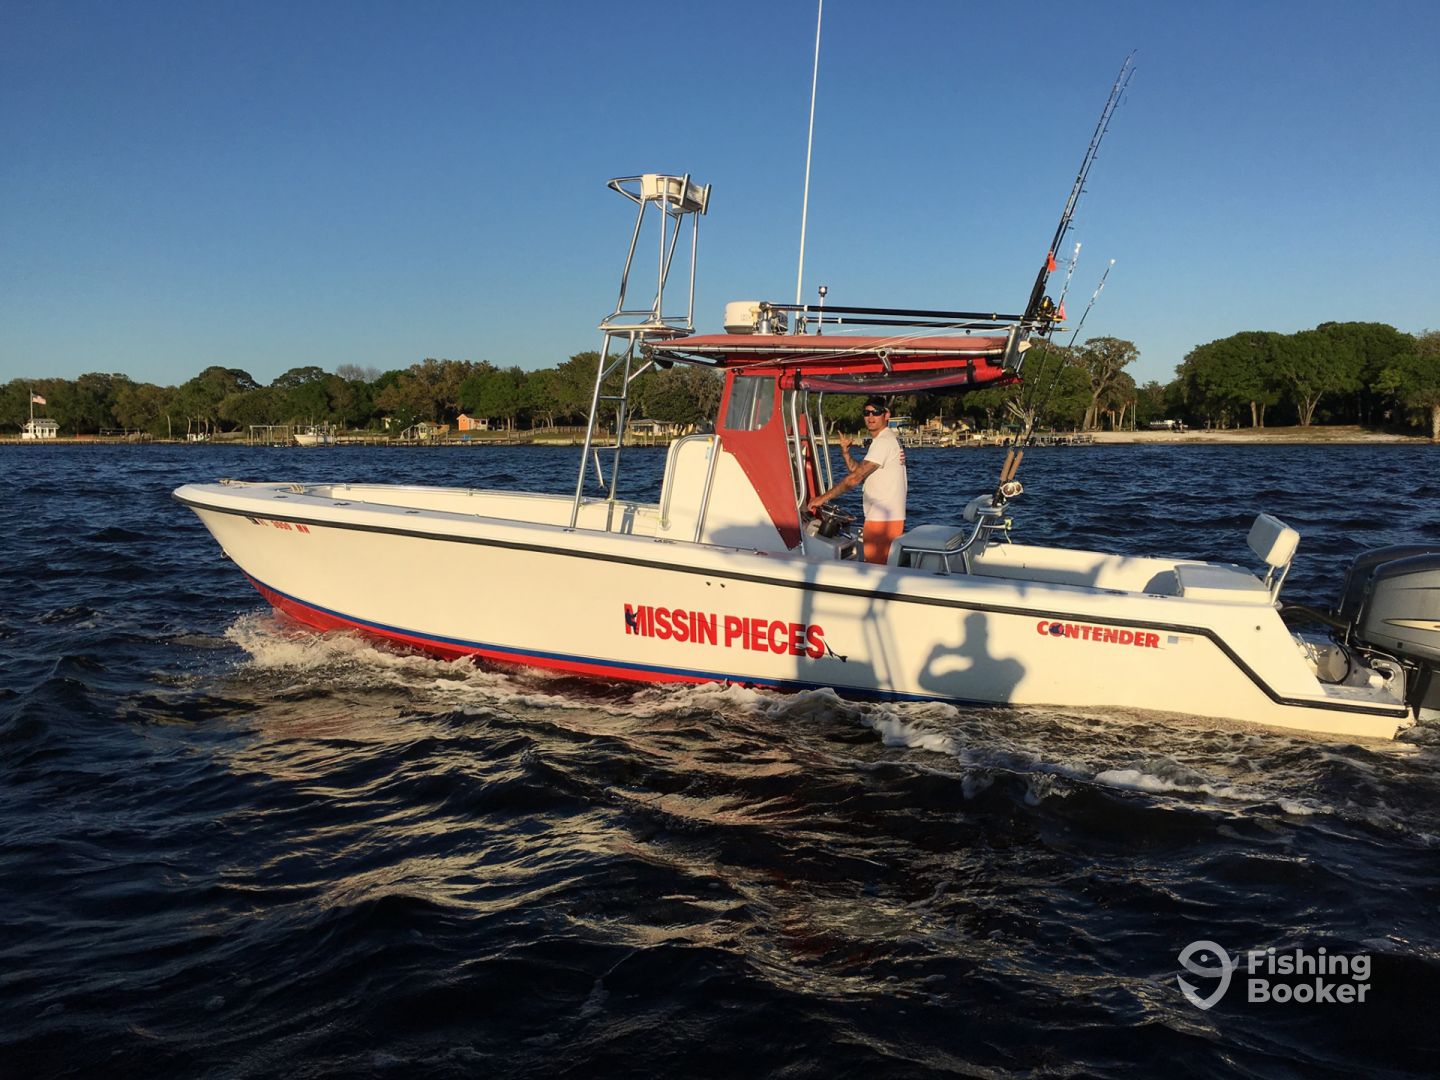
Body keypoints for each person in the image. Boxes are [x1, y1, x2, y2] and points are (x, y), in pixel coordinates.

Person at [806, 396, 907, 564]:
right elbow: (859, 472)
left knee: (876, 571)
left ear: (886, 415)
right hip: (884, 518)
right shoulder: (885, 440)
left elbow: (854, 479)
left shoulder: (883, 442)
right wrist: (846, 452)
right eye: (867, 413)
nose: (871, 417)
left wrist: (821, 499)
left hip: (883, 522)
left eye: (876, 412)